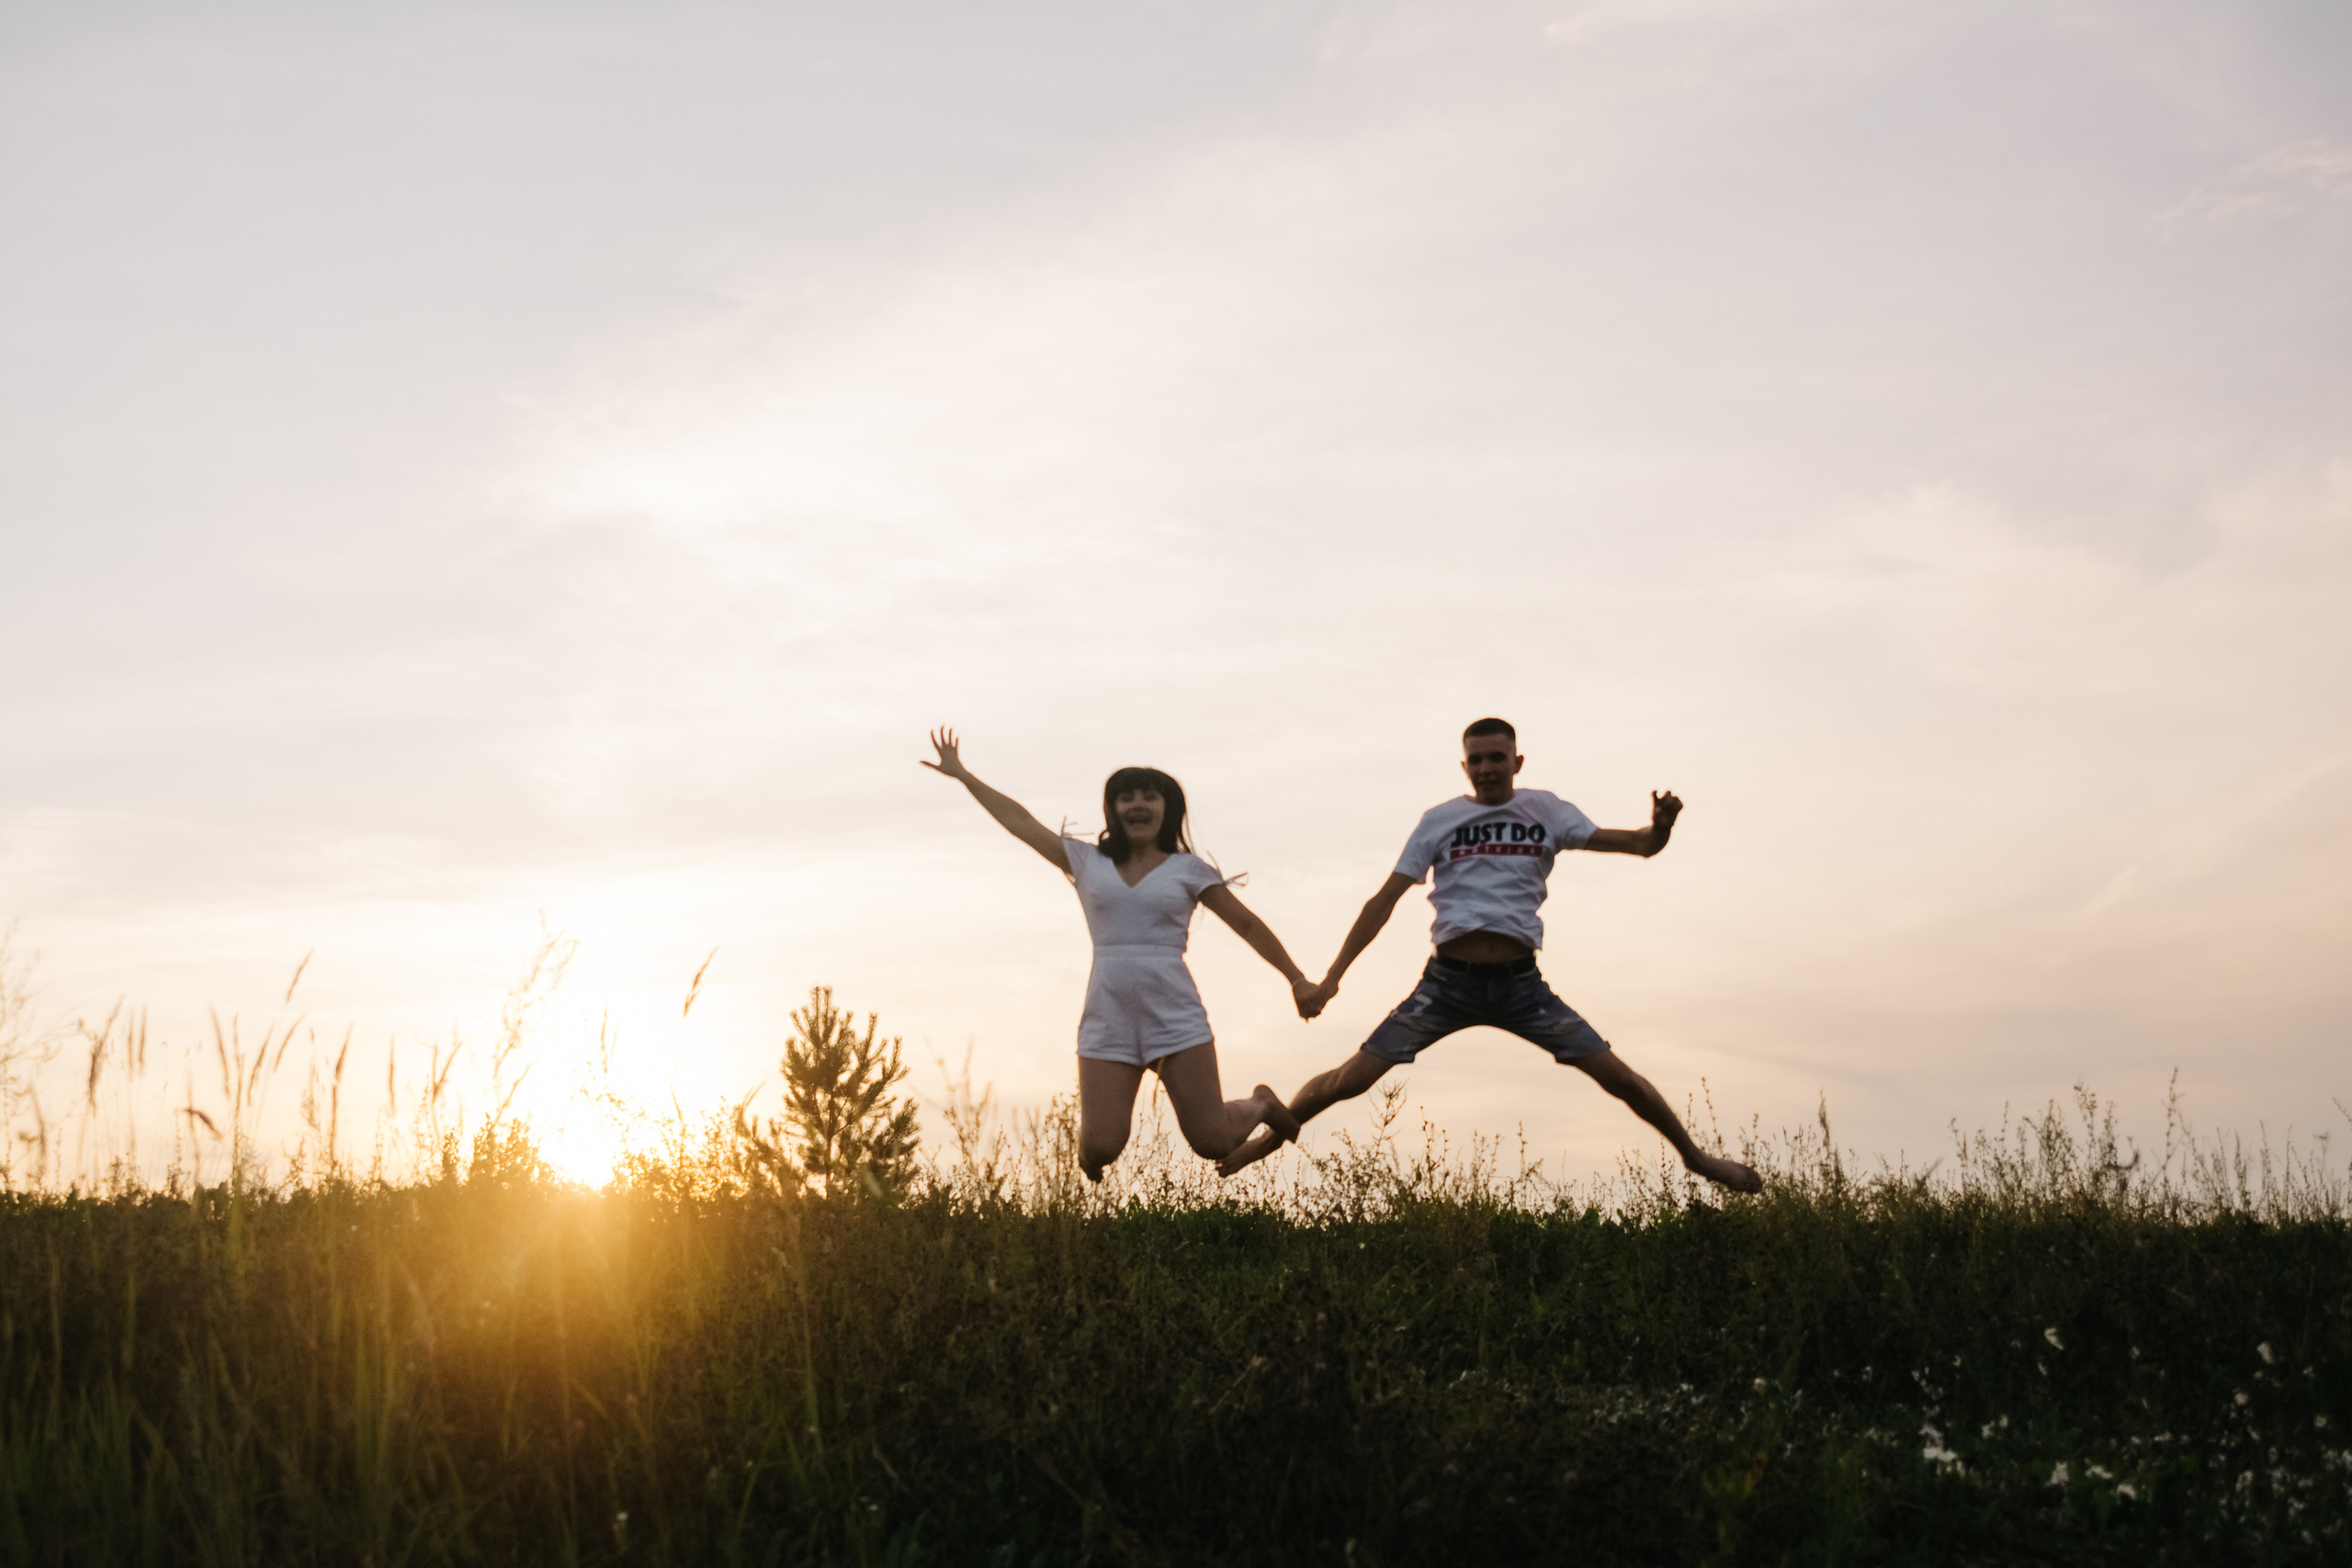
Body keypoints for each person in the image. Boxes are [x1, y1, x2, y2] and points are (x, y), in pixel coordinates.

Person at [1217, 717, 1761, 1192]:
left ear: (1517, 760)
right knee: (1348, 1081)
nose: (1486, 768)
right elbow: (1382, 900)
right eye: (1475, 760)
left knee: (1618, 1077)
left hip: (1522, 988)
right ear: (1463, 766)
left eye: (1496, 758)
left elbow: (1639, 845)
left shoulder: (1546, 810)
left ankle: (1698, 1160)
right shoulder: (1439, 820)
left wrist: (1661, 827)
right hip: (1446, 985)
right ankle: (1257, 1146)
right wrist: (1331, 979)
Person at [923, 728, 1308, 1181]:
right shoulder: (1087, 862)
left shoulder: (1188, 870)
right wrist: (965, 776)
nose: (1137, 805)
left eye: (1149, 797)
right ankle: (1092, 1156)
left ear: (1169, 809)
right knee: (1099, 1148)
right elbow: (1022, 823)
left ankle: (1260, 1102)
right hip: (1109, 1014)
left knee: (1213, 1142)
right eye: (1126, 798)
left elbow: (1247, 924)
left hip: (1174, 1013)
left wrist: (1296, 979)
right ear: (1113, 809)